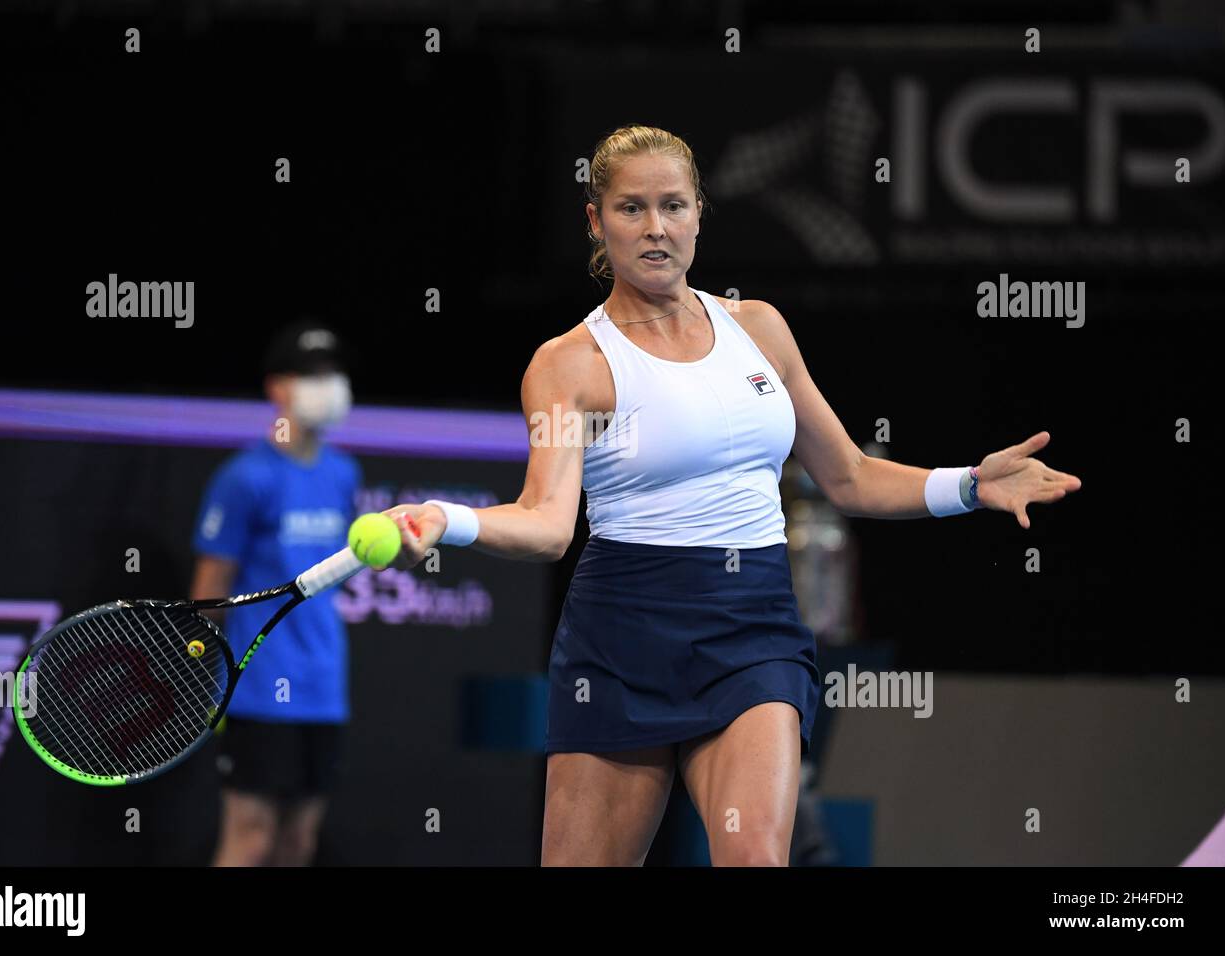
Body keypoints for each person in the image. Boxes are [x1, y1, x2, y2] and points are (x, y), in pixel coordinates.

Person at [380, 124, 1081, 866]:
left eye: (674, 206)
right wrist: (448, 519)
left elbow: (848, 476)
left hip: (754, 631)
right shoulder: (568, 365)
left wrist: (969, 484)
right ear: (596, 220)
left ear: (700, 213)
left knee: (754, 858)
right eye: (631, 209)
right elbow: (548, 524)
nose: (656, 228)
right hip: (621, 638)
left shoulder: (761, 330)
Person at [190, 318, 362, 866]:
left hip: (324, 687)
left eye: (332, 372)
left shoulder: (343, 473)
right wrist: (212, 684)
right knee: (251, 838)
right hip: (258, 686)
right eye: (309, 373)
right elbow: (209, 594)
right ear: (276, 388)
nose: (326, 384)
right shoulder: (244, 478)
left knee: (298, 844)